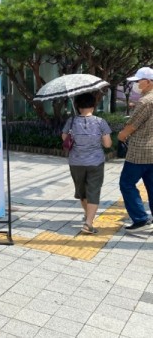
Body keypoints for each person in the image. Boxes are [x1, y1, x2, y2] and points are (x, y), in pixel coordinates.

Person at [61, 92, 112, 234]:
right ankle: (88, 223)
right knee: (93, 191)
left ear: (77, 106)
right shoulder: (100, 122)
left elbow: (64, 138)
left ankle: (87, 216)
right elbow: (107, 144)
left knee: (82, 191)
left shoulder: (71, 121)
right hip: (95, 162)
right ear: (94, 106)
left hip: (76, 162)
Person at [117, 66, 153, 231]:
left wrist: (121, 136)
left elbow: (132, 126)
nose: (137, 84)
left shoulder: (145, 101)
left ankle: (140, 219)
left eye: (139, 81)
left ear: (148, 82)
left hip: (140, 151)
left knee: (126, 183)